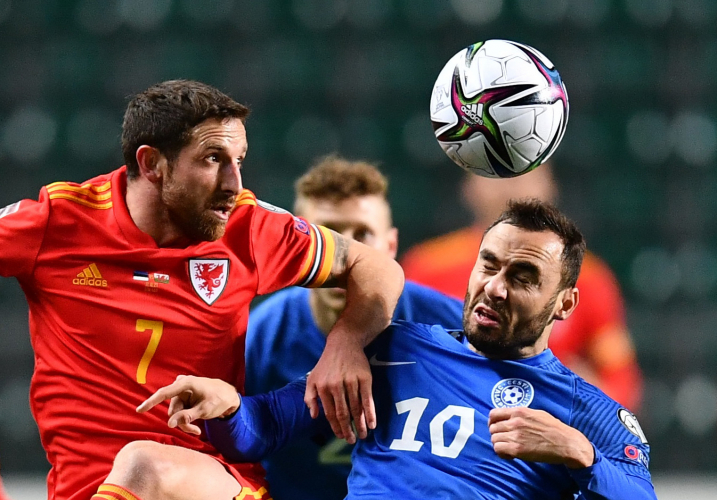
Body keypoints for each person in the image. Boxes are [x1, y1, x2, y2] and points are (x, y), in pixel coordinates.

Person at [0, 80, 404, 500]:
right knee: (140, 468)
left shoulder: (247, 227)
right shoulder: (59, 222)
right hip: (87, 489)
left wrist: (346, 342)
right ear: (152, 163)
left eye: (239, 161)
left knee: (145, 464)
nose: (233, 183)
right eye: (214, 159)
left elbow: (376, 267)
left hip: (215, 482)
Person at [141, 199, 657, 499]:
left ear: (565, 303)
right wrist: (227, 409)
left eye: (522, 277)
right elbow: (267, 426)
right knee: (147, 464)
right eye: (488, 265)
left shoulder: (586, 410)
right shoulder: (393, 349)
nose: (495, 288)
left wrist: (580, 454)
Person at [244, 155, 464, 500]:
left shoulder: (451, 327)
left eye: (362, 234)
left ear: (391, 246)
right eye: (328, 234)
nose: (345, 256)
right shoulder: (263, 335)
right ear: (296, 247)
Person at [400, 164, 643, 410]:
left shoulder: (588, 278)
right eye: (496, 172)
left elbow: (621, 382)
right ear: (468, 187)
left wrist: (582, 397)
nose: (511, 184)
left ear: (550, 187)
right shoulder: (428, 267)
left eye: (525, 173)